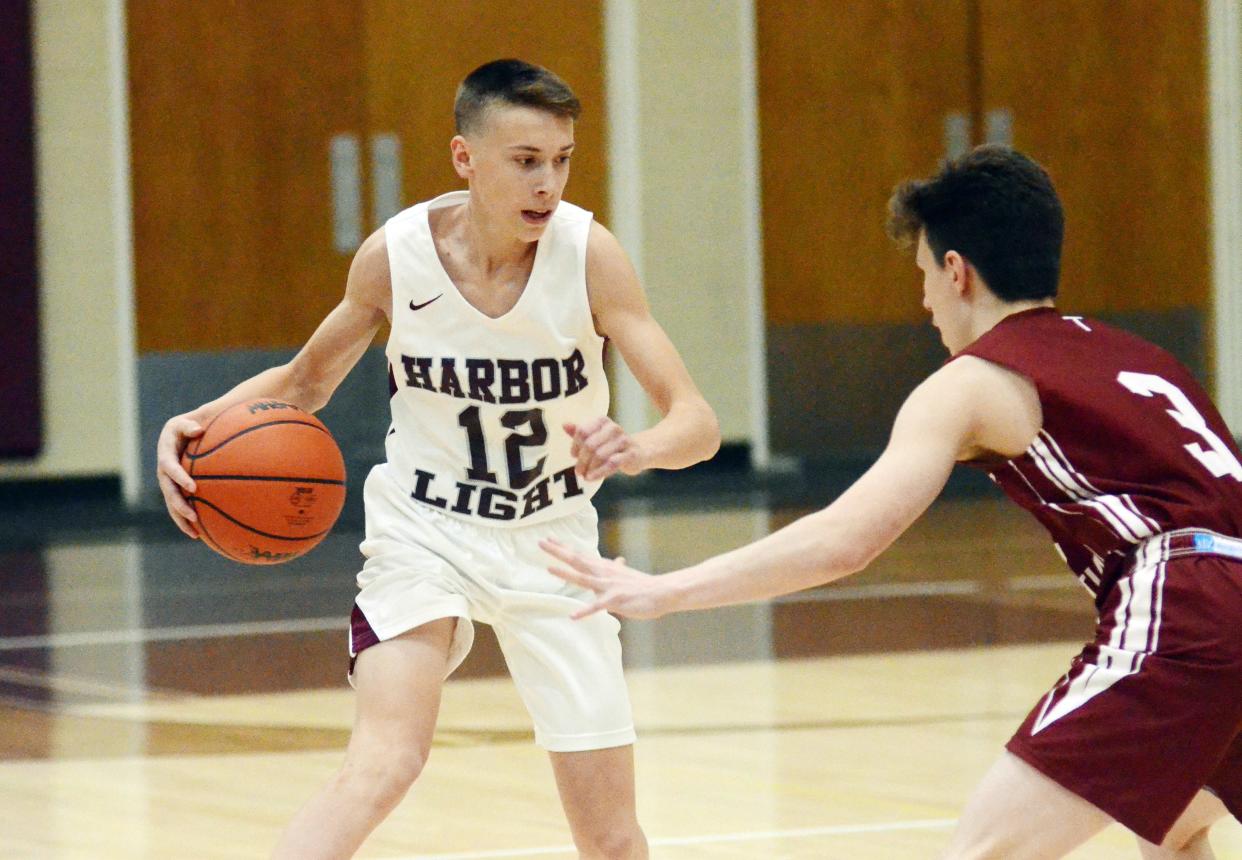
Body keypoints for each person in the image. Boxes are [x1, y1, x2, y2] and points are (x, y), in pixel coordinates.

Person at [543, 145, 1242, 860]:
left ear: (955, 271)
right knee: (1174, 832)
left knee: (982, 851)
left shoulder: (971, 382)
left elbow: (845, 538)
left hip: (1189, 604)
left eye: (923, 277)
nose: (925, 302)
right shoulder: (1143, 358)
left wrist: (665, 590)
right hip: (1223, 597)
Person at [156, 58, 720, 859]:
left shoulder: (588, 255)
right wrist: (199, 422)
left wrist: (639, 446)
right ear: (466, 158)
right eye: (526, 161)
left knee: (612, 840)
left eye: (561, 160)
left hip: (553, 543)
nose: (547, 183)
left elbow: (697, 422)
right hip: (425, 533)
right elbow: (304, 382)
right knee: (383, 765)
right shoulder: (397, 257)